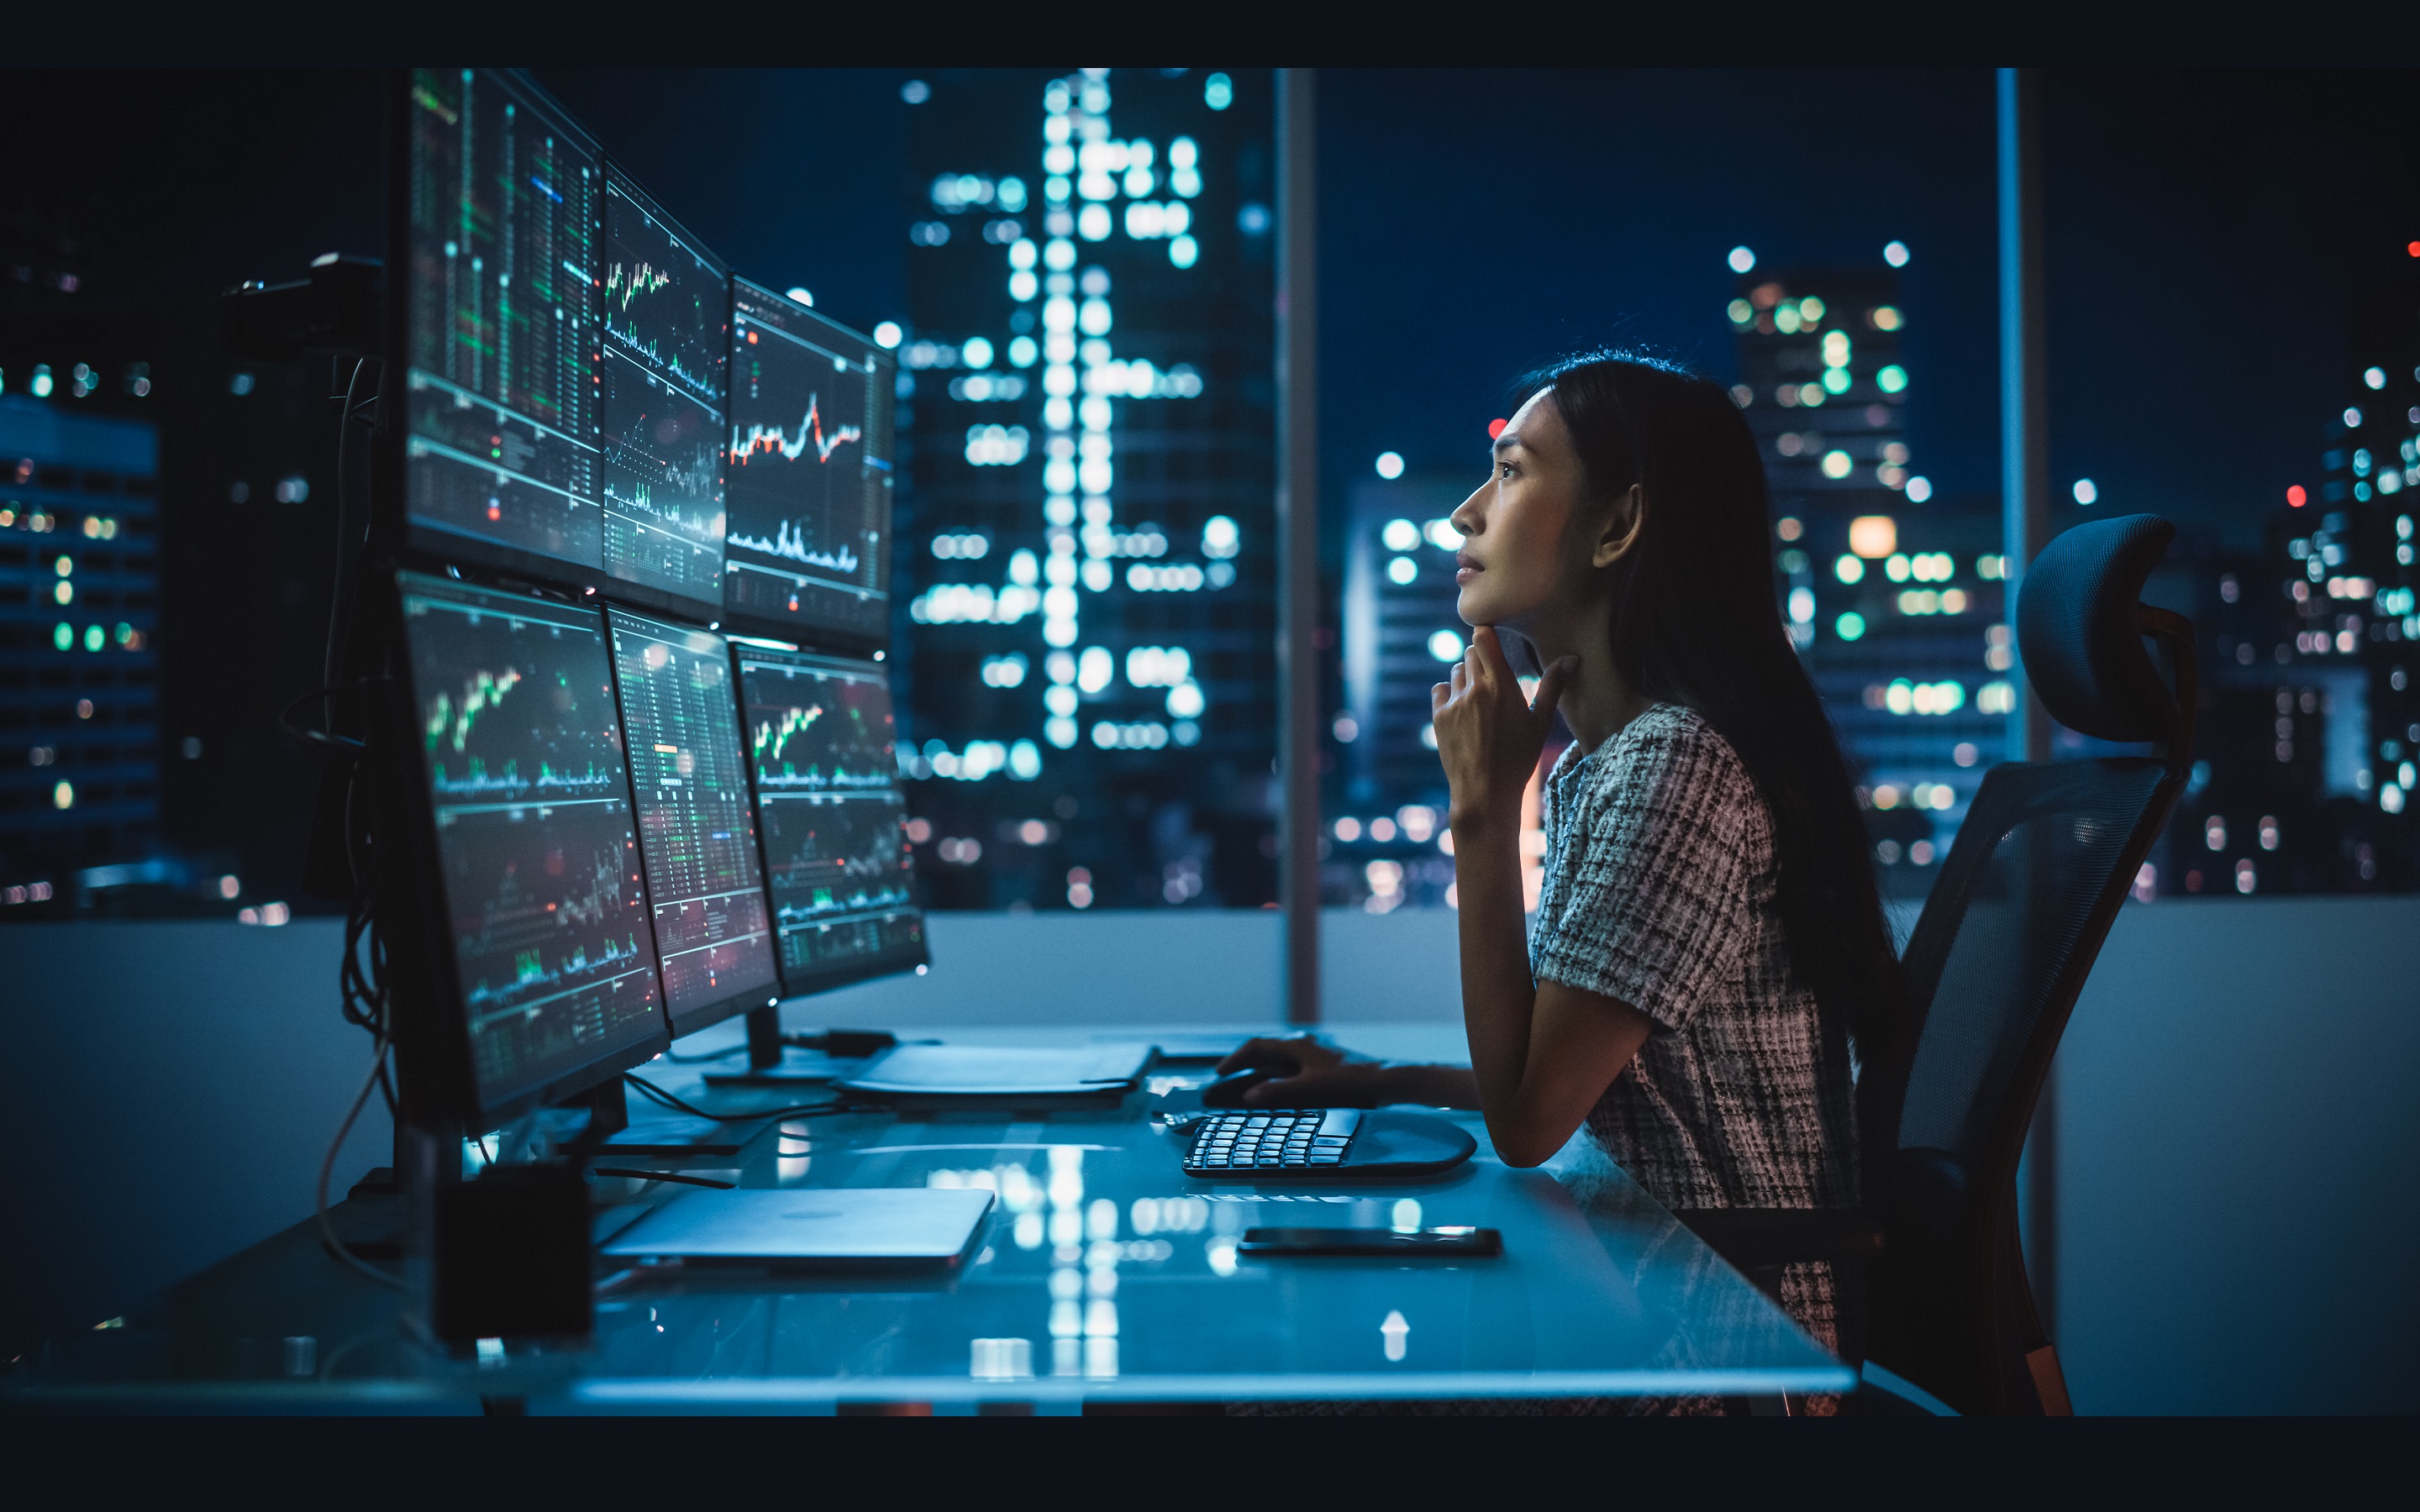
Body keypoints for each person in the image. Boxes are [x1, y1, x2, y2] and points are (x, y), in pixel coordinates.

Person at [1218, 352, 1907, 1383]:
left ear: (1617, 525)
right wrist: (1369, 1080)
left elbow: (1531, 1118)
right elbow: (1579, 1078)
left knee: (1197, 1389)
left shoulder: (1676, 766)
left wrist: (1485, 815)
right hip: (1646, 1298)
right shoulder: (1614, 764)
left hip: (1715, 1355)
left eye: (1509, 471)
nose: (1465, 512)